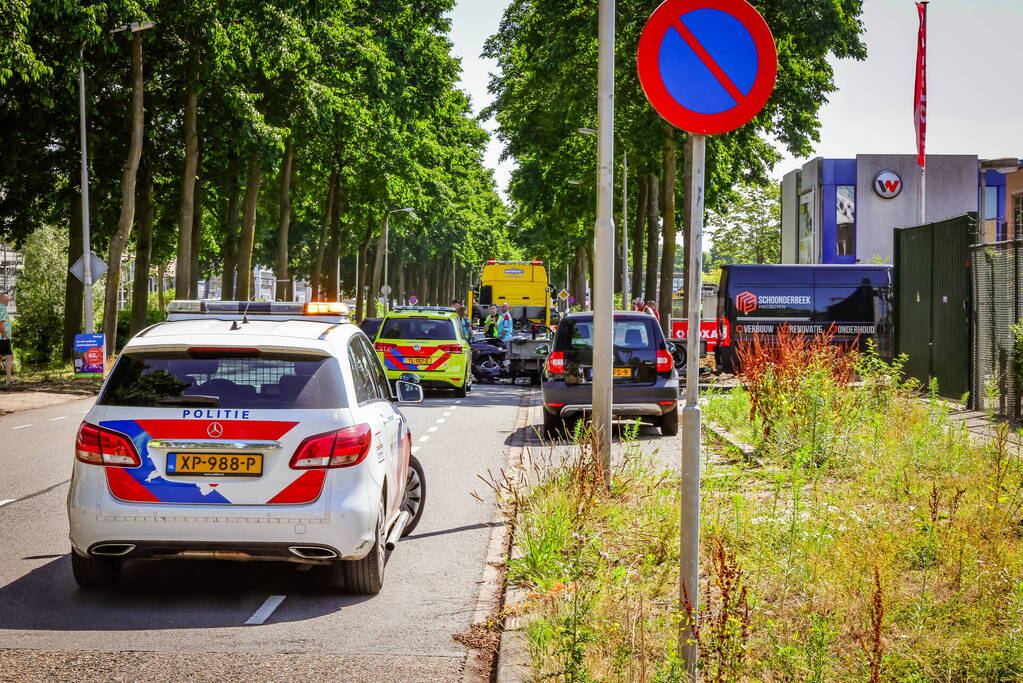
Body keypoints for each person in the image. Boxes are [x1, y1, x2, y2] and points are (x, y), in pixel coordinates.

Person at [0, 292, 13, 386]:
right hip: (2, 337)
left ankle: (9, 380)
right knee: (9, 356)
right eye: (7, 299)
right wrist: (5, 336)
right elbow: (0, 323)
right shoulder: (2, 308)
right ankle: (9, 380)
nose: (8, 301)